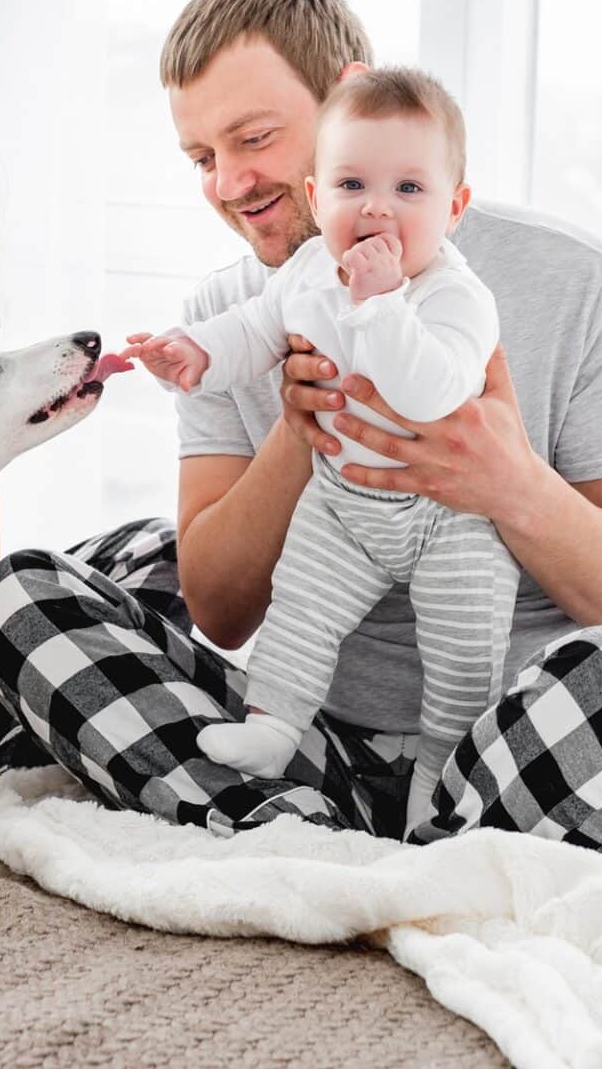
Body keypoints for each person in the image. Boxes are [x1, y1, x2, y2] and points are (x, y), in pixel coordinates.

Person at [0, 0, 602, 871]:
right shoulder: (236, 312)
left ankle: (357, 855)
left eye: (254, 137)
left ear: (350, 97)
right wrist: (296, 428)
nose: (230, 183)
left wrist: (511, 485)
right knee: (20, 599)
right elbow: (223, 611)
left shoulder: (577, 286)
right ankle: (363, 851)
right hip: (317, 747)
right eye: (202, 159)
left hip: (510, 750)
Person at [128, 66, 514, 840]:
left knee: (465, 646)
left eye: (409, 189)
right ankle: (274, 724)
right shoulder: (309, 272)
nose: (376, 206)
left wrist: (380, 305)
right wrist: (196, 352)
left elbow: (436, 390)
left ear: (454, 208)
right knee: (302, 600)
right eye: (351, 184)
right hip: (346, 502)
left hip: (449, 520)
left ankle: (441, 771)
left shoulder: (454, 296)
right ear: (316, 196)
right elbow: (257, 329)